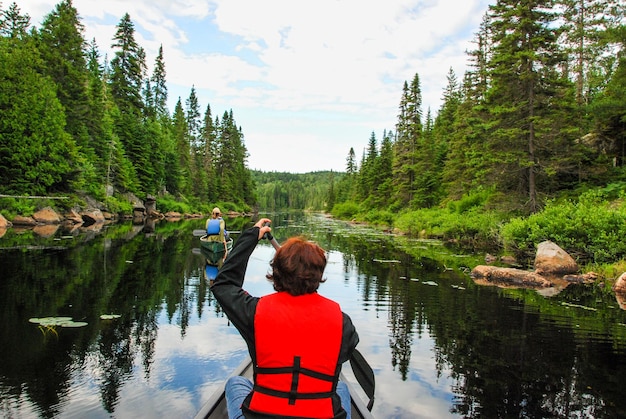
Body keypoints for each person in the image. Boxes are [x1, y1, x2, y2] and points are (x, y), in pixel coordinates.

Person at [210, 218, 359, 419]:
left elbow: (223, 285)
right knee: (341, 388)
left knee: (235, 383)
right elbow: (343, 352)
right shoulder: (343, 323)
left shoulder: (254, 312)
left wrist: (250, 237)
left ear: (276, 273)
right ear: (318, 276)